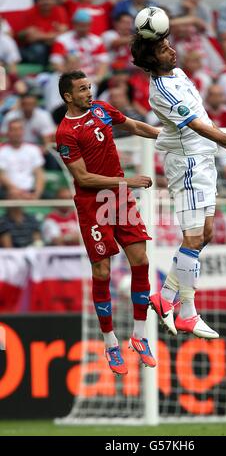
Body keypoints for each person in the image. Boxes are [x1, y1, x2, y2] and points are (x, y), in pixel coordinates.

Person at [131, 35, 226, 339]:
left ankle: (167, 297)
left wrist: (223, 146)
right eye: (163, 49)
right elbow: (194, 125)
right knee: (194, 236)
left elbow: (202, 115)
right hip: (187, 164)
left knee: (207, 233)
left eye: (169, 44)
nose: (172, 51)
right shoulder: (160, 91)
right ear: (152, 59)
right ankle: (187, 312)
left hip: (204, 158)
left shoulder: (177, 73)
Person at [56, 70, 160, 375]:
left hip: (119, 198)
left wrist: (166, 135)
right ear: (68, 97)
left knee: (140, 259)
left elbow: (134, 125)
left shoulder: (101, 108)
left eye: (89, 86)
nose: (89, 92)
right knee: (102, 271)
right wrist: (127, 180)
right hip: (93, 204)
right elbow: (83, 178)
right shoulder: (65, 133)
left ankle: (139, 337)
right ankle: (111, 342)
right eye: (82, 89)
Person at [0, 119, 45, 200]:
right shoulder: (2, 151)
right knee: (13, 196)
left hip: (31, 190)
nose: (16, 133)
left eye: (19, 129)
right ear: (8, 133)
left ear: (23, 131)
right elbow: (2, 176)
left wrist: (37, 193)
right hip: (9, 191)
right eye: (13, 130)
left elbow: (39, 174)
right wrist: (19, 192)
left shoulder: (33, 149)